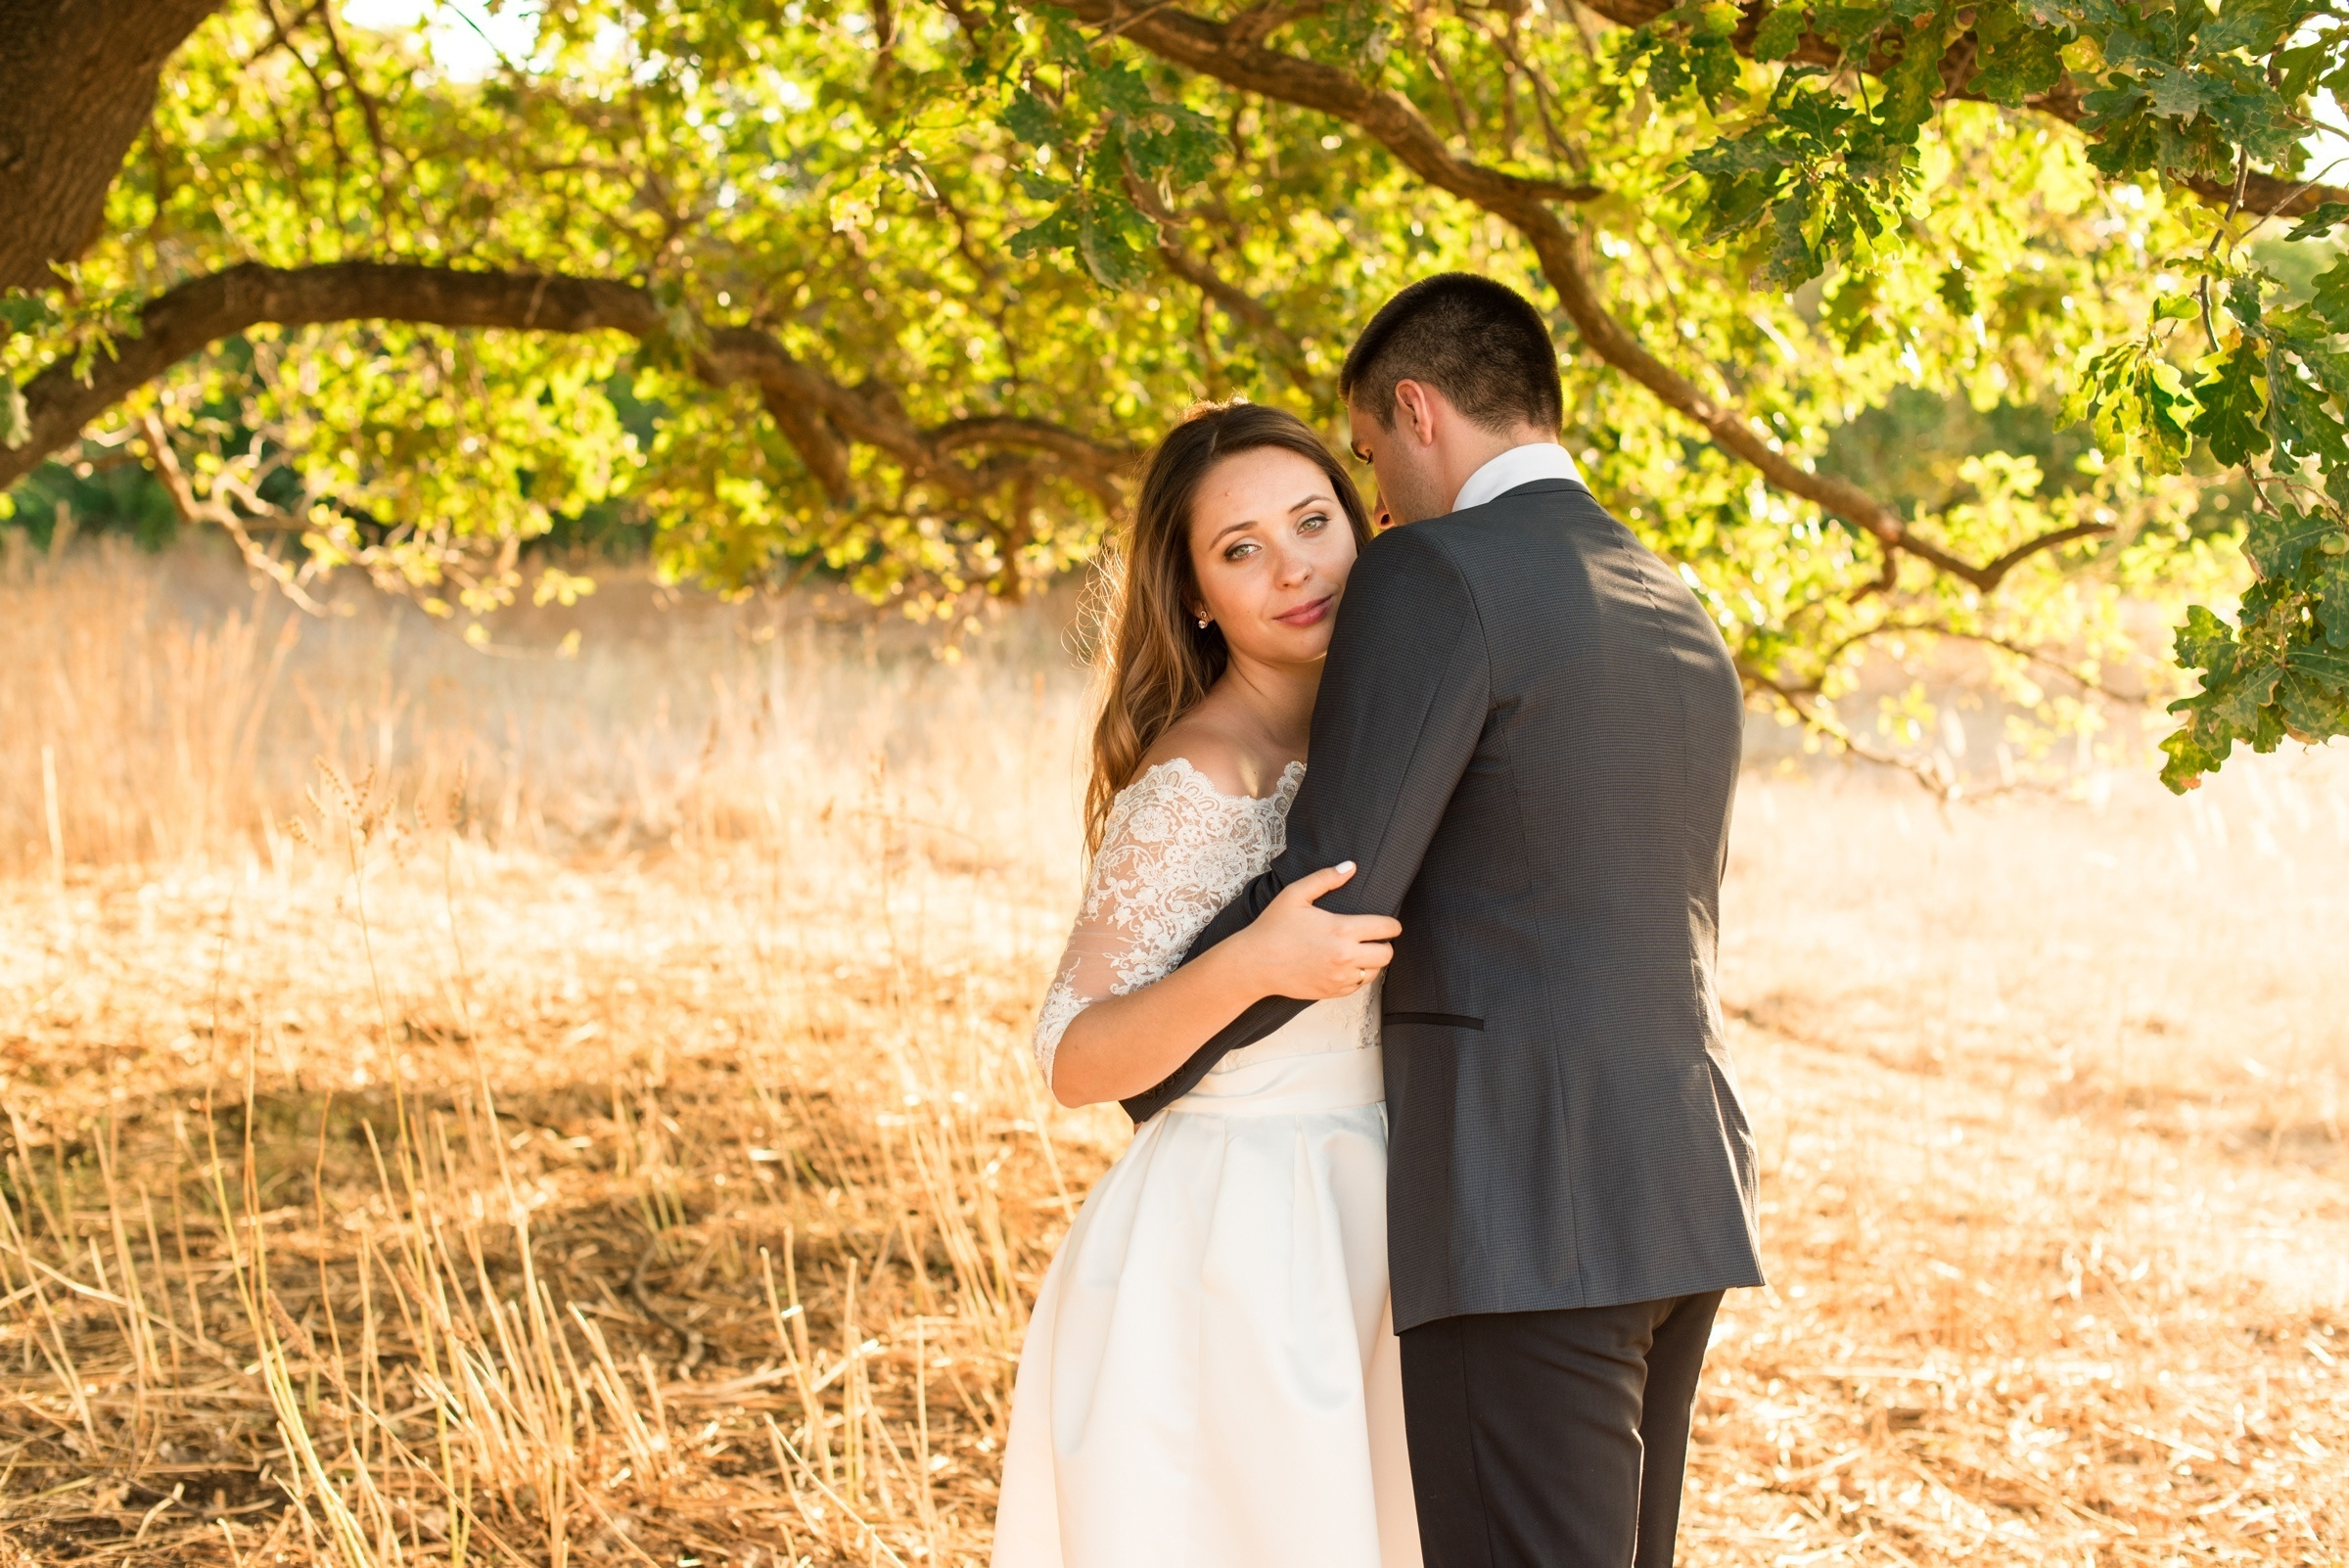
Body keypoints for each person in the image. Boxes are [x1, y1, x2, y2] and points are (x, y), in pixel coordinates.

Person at [1138, 273, 1764, 1568]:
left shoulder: (1435, 570)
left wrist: (1150, 1043)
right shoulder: (1670, 594)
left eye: (1366, 459)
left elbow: (1341, 887)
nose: (1373, 507)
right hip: (1678, 1182)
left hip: (1518, 1194)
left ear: (1415, 411)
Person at [990, 401, 1423, 1568]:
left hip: (1381, 1216)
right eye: (1242, 550)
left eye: (1312, 522)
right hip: (1236, 1238)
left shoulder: (1388, 735)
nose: (1295, 570)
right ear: (1195, 595)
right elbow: (1071, 1055)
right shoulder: (1200, 773)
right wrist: (1254, 963)